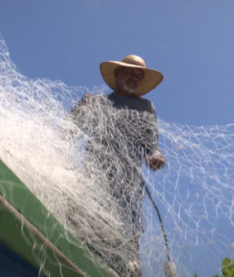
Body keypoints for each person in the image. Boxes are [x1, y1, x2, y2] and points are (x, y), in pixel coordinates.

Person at [70, 55, 166, 276]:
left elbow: (152, 147)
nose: (135, 78)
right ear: (117, 74)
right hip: (93, 178)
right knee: (86, 231)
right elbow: (69, 131)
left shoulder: (145, 107)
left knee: (127, 246)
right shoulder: (98, 102)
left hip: (127, 188)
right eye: (130, 72)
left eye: (139, 76)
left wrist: (156, 157)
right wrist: (79, 110)